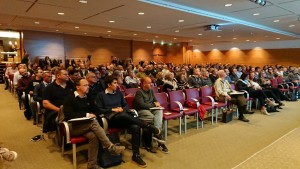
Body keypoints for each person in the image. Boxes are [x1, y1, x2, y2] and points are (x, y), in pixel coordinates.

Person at [95, 75, 160, 167]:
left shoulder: (118, 94)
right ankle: (147, 126)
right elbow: (99, 110)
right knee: (123, 115)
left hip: (124, 117)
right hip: (111, 119)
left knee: (135, 127)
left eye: (117, 83)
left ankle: (136, 155)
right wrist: (113, 110)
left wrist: (122, 109)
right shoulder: (101, 95)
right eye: (115, 83)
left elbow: (125, 106)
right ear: (108, 84)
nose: (117, 85)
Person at [63, 78, 125, 169]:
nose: (88, 87)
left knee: (94, 137)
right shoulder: (69, 98)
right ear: (78, 87)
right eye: (85, 85)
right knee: (93, 122)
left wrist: (94, 114)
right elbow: (68, 115)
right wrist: (87, 114)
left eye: (88, 85)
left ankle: (92, 165)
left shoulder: (88, 97)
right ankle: (110, 147)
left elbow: (97, 110)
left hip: (87, 126)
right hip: (74, 127)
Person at [134, 76, 169, 153]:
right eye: (149, 83)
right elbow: (141, 105)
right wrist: (153, 105)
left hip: (151, 109)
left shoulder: (151, 91)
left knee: (159, 112)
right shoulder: (139, 92)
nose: (151, 84)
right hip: (142, 111)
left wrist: (157, 104)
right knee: (154, 119)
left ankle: (157, 137)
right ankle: (158, 140)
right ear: (143, 84)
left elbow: (155, 101)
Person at [42, 69, 74, 133]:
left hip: (71, 109)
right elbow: (45, 103)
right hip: (57, 111)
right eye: (65, 74)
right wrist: (59, 110)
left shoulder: (71, 86)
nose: (68, 76)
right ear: (58, 76)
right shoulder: (49, 88)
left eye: (68, 74)